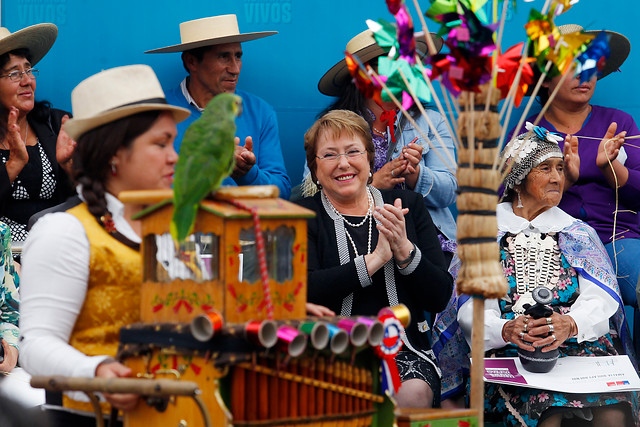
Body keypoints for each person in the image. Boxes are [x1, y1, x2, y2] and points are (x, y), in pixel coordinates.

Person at [19, 64, 190, 425]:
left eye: (172, 142)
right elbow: (35, 345)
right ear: (114, 152)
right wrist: (96, 371)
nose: (174, 156)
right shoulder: (63, 231)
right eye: (160, 144)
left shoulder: (177, 228)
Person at [455, 125, 638, 426]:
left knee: (614, 414)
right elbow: (471, 309)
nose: (557, 178)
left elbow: (602, 297)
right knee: (547, 412)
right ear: (517, 179)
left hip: (579, 348)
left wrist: (570, 323)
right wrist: (506, 329)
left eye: (560, 169)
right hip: (512, 351)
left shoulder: (577, 232)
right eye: (545, 168)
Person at [297, 109, 453, 407]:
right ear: (315, 170)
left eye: (353, 151)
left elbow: (439, 296)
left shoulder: (406, 205)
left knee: (413, 393)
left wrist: (404, 251)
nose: (343, 163)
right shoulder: (304, 215)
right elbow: (305, 288)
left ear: (369, 160)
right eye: (329, 155)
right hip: (325, 349)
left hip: (401, 350)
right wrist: (376, 259)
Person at [514, 25, 640, 315]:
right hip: (552, 248)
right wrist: (562, 182)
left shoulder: (619, 123)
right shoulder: (528, 133)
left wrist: (612, 171)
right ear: (546, 79)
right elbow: (510, 206)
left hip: (618, 242)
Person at [306, 29, 457, 259]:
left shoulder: (430, 121)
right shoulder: (331, 127)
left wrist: (415, 174)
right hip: (355, 241)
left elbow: (450, 190)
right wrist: (373, 183)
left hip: (426, 239)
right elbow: (312, 191)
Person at [145, 14, 291, 199]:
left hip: (241, 226)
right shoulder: (154, 111)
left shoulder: (260, 112)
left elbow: (282, 193)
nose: (235, 68)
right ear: (191, 62)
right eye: (224, 57)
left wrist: (247, 173)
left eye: (238, 56)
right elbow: (138, 182)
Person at [0, 23, 75, 243]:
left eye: (29, 70)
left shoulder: (56, 123)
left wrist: (73, 170)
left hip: (56, 247)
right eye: (14, 74)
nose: (27, 81)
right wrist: (14, 163)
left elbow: (87, 196)